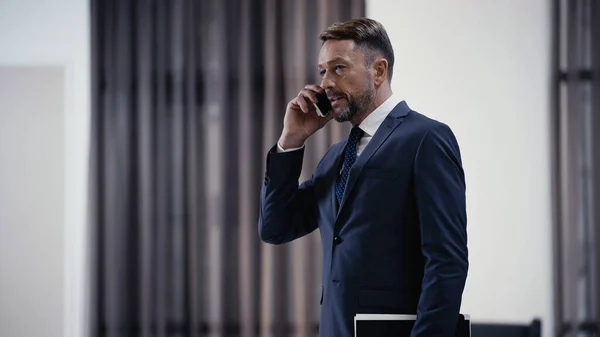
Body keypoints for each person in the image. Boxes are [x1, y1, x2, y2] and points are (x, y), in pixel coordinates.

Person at [258, 17, 468, 337]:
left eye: (339, 68)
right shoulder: (334, 158)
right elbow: (275, 227)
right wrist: (291, 141)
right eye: (323, 71)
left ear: (379, 71)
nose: (327, 82)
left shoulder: (426, 139)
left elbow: (446, 263)